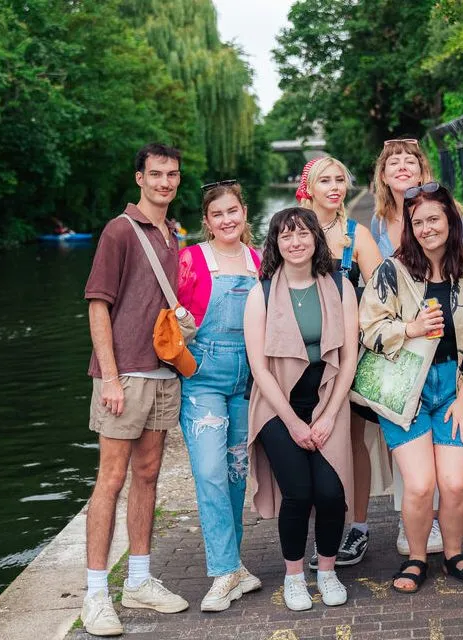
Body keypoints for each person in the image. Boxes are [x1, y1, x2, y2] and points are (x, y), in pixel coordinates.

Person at [81, 142, 196, 636]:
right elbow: (97, 305)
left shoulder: (175, 233)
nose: (165, 182)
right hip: (124, 375)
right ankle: (94, 595)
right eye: (156, 174)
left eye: (172, 175)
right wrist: (109, 377)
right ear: (139, 179)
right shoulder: (119, 231)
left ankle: (140, 581)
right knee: (110, 480)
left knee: (147, 476)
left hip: (164, 373)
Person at [359, 182, 463, 593]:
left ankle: (454, 553)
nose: (426, 228)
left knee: (454, 483)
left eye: (434, 219)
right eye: (418, 222)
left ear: (451, 221)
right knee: (420, 485)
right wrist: (411, 328)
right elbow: (369, 329)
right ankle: (417, 557)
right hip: (407, 390)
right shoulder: (392, 271)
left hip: (457, 383)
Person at [244, 207, 359, 611]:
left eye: (303, 234)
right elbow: (259, 367)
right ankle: (294, 577)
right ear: (275, 244)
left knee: (330, 493)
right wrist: (293, 423)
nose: (295, 242)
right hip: (278, 407)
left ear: (316, 239)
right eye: (286, 236)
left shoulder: (340, 287)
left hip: (328, 398)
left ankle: (326, 571)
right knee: (299, 492)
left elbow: (349, 358)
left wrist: (327, 416)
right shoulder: (260, 293)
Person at [296, 157, 387, 568]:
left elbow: (384, 294)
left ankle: (359, 529)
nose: (335, 188)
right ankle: (324, 531)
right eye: (325, 181)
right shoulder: (293, 231)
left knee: (351, 443)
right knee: (311, 446)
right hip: (303, 361)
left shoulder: (356, 235)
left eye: (340, 181)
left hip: (349, 356)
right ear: (308, 188)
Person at [175, 181, 262, 611]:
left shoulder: (259, 259)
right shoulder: (189, 260)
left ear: (244, 213)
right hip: (203, 377)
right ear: (206, 223)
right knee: (209, 471)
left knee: (234, 474)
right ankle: (223, 571)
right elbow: (163, 309)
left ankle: (236, 568)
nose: (227, 220)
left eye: (233, 211)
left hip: (247, 381)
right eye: (217, 214)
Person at [369, 138, 445, 556]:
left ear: (422, 169)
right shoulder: (380, 223)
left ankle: (434, 520)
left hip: (435, 332)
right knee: (402, 429)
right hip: (399, 338)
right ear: (383, 175)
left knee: (437, 436)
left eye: (409, 160)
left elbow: (460, 258)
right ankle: (409, 519)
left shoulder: (443, 208)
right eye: (393, 161)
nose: (401, 167)